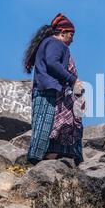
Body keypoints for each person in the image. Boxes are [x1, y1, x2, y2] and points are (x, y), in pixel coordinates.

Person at [23, 13, 84, 166]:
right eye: (71, 35)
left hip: (46, 90)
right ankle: (44, 157)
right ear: (62, 32)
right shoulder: (56, 44)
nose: (72, 39)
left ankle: (50, 157)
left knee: (52, 125)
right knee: (51, 125)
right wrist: (73, 79)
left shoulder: (47, 43)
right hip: (49, 91)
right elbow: (53, 63)